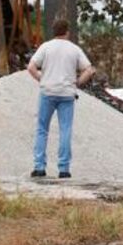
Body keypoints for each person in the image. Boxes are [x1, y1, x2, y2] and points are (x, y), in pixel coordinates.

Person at [27, 19, 95, 179]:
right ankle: (64, 169)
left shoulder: (45, 47)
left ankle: (39, 167)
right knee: (65, 130)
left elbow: (31, 67)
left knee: (42, 129)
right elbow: (89, 69)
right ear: (67, 32)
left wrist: (41, 78)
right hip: (67, 94)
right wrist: (78, 83)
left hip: (47, 92)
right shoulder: (74, 49)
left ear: (53, 31)